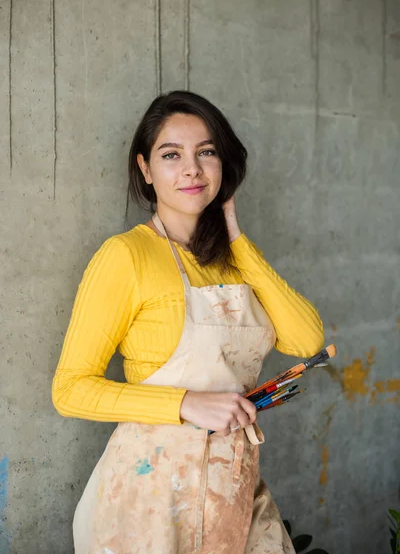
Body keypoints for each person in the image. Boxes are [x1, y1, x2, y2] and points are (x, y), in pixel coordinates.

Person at [52, 90, 324, 553]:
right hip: (149, 500)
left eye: (207, 152)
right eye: (171, 154)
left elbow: (307, 339)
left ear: (224, 164)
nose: (192, 169)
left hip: (233, 490)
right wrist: (186, 404)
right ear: (145, 169)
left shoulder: (236, 262)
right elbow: (70, 389)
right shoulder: (126, 256)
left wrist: (237, 238)